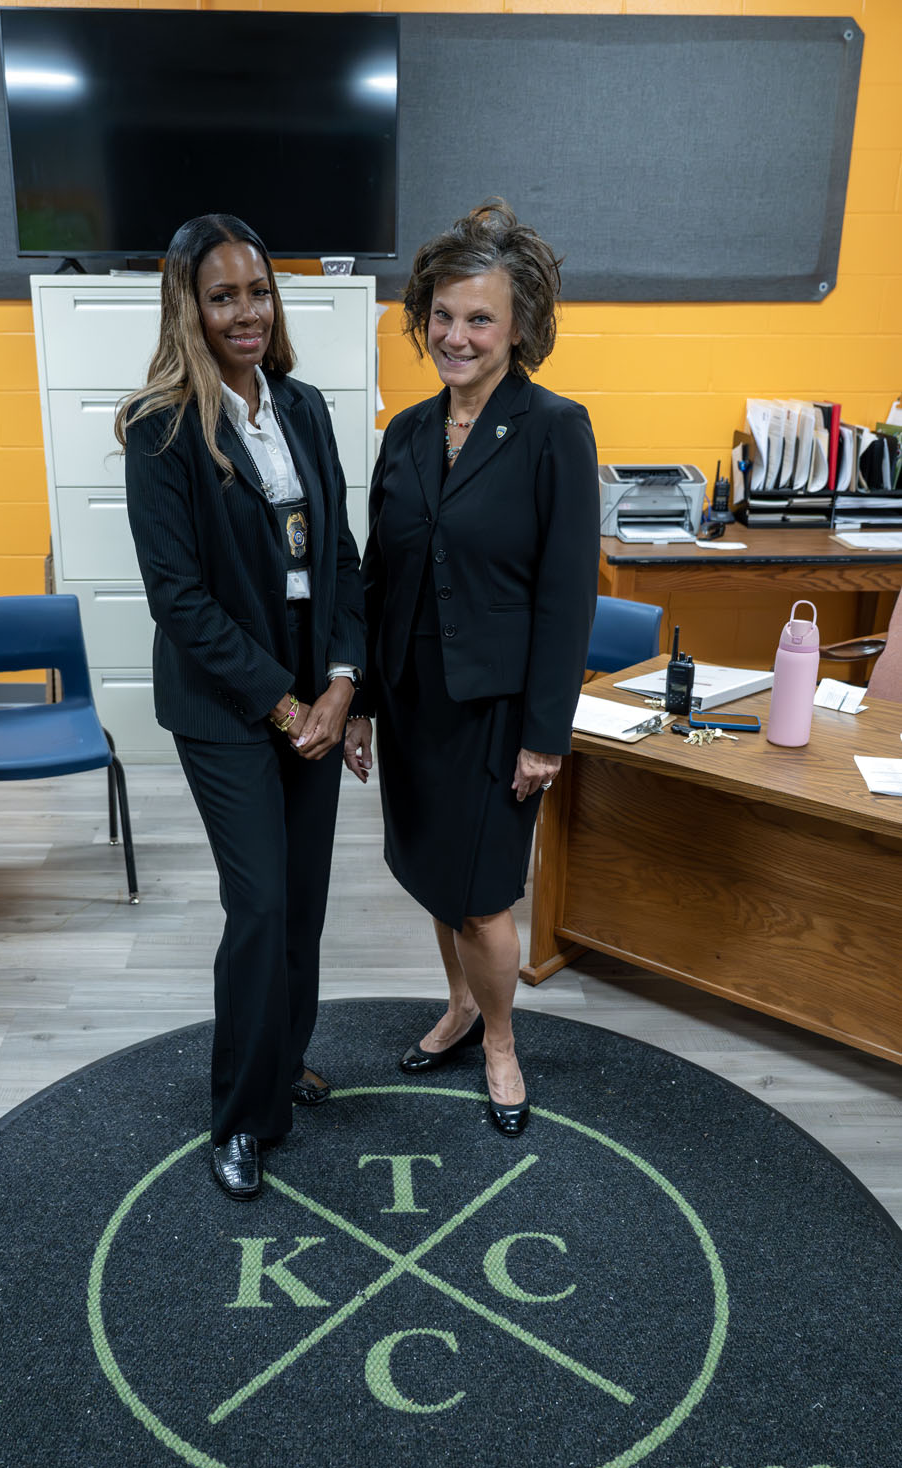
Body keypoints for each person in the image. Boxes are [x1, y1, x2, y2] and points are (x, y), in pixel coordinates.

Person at [118, 215, 364, 1199]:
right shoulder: (161, 427)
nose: (245, 312)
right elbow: (178, 599)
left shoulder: (303, 407)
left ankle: (281, 1061)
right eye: (222, 296)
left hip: (316, 694)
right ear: (190, 306)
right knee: (258, 902)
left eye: (256, 290)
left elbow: (341, 556)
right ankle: (239, 1115)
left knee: (301, 903)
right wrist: (282, 703)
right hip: (228, 707)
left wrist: (343, 685)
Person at [344, 200, 599, 1138]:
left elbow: (566, 597)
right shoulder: (407, 431)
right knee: (432, 877)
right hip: (413, 703)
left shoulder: (553, 430)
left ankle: (497, 1039)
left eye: (479, 318)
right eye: (442, 316)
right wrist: (363, 700)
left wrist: (545, 735)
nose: (457, 335)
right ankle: (454, 1007)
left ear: (519, 326)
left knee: (486, 898)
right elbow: (379, 574)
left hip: (497, 713)